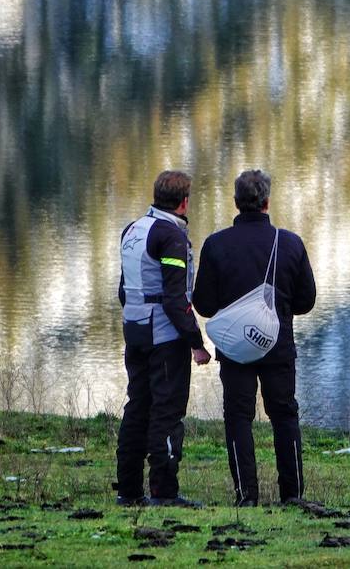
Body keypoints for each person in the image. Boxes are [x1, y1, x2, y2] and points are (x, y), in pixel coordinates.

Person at [193, 169, 317, 506]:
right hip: (278, 347)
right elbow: (306, 301)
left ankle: (246, 495)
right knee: (284, 416)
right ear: (267, 202)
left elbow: (202, 304)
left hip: (234, 349)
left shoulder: (216, 245)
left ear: (236, 203)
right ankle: (292, 494)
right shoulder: (289, 243)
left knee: (237, 418)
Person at [115, 170, 212, 507]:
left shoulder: (132, 230)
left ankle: (128, 491)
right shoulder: (172, 237)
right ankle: (164, 492)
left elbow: (123, 289)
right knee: (166, 413)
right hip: (164, 337)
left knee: (137, 407)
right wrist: (196, 343)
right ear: (184, 201)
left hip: (135, 331)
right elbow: (175, 299)